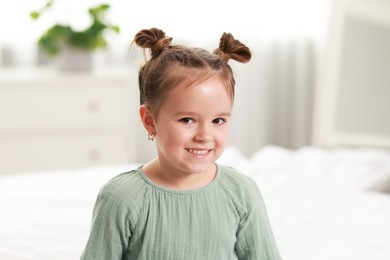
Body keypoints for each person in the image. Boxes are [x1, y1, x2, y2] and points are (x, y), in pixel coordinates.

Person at [80, 27, 282, 260]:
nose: (204, 135)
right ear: (150, 120)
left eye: (218, 120)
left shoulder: (242, 193)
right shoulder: (122, 197)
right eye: (187, 120)